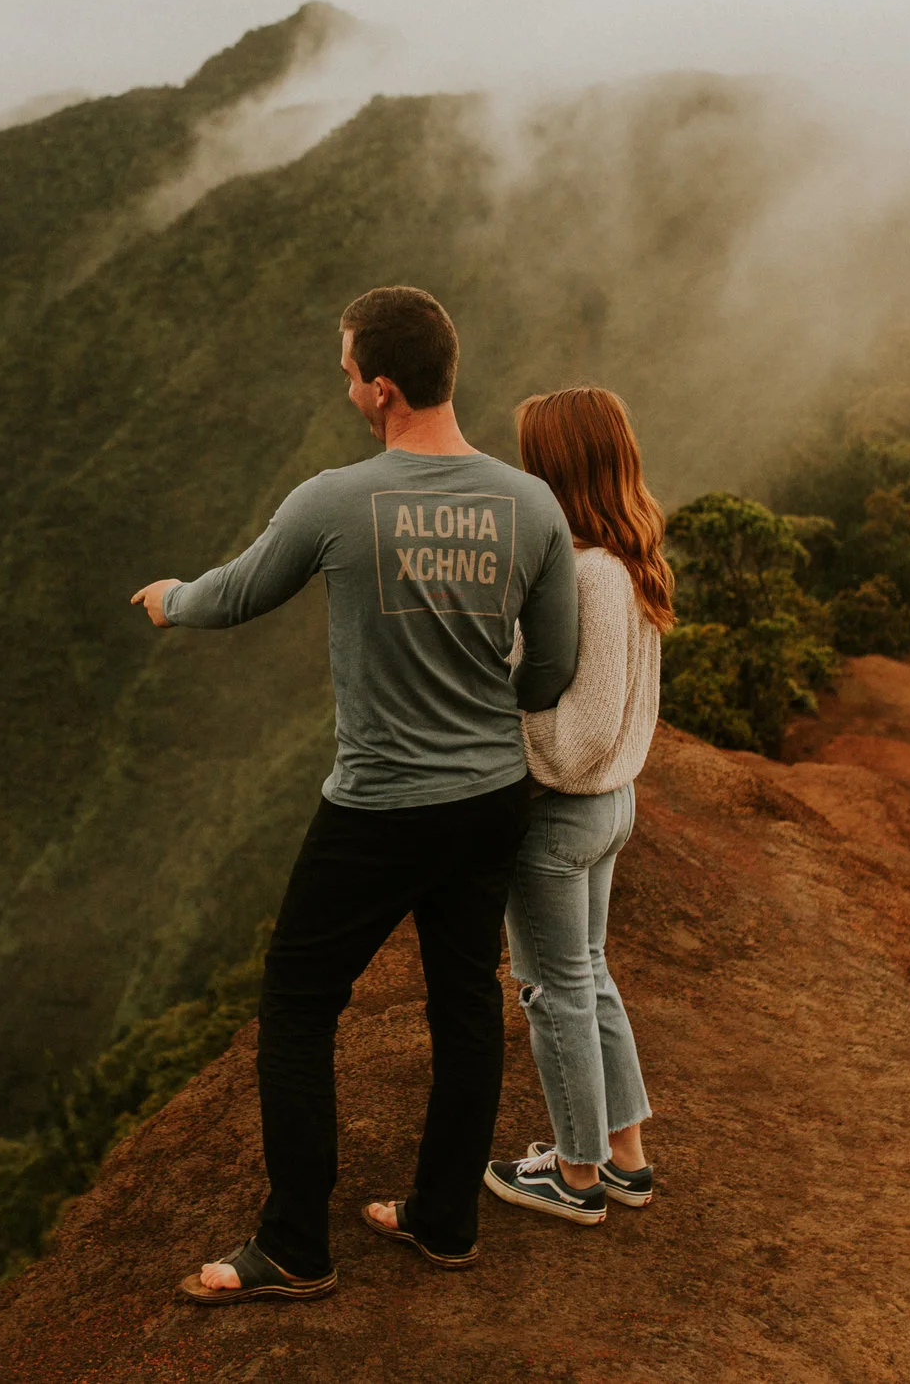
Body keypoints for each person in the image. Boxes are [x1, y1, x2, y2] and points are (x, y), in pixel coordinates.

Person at [128, 286, 579, 1304]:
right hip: (490, 796)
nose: (343, 388)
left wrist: (168, 600)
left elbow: (235, 592)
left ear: (381, 390)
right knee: (464, 1001)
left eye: (346, 374)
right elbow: (549, 673)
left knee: (296, 1000)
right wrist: (474, 709)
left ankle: (294, 1242)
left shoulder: (334, 499)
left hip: (377, 807)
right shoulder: (532, 505)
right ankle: (445, 1217)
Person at [479, 387, 670, 1226]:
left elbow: (581, 731)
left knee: (550, 988)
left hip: (563, 813)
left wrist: (503, 733)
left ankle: (576, 1173)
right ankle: (624, 1156)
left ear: (560, 466)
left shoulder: (589, 573)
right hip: (613, 804)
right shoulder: (630, 560)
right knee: (588, 976)